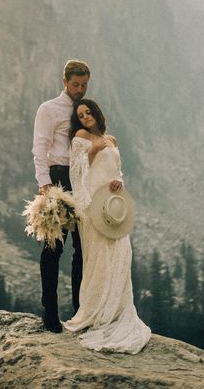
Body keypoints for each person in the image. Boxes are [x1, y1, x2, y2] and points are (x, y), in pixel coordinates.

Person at [63, 98, 151, 353]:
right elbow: (75, 172)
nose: (86, 117)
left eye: (89, 112)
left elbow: (117, 172)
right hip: (92, 205)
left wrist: (118, 183)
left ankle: (117, 312)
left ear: (96, 113)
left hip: (111, 204)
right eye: (81, 115)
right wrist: (91, 151)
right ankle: (97, 313)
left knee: (122, 253)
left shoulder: (111, 139)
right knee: (99, 258)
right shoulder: (80, 136)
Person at [32, 59, 90, 332]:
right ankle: (50, 313)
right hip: (58, 178)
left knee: (83, 247)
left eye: (83, 85)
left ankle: (80, 311)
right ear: (64, 81)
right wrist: (45, 184)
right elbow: (40, 146)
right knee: (54, 246)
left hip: (82, 180)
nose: (79, 89)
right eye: (75, 84)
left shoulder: (85, 111)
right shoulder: (49, 109)